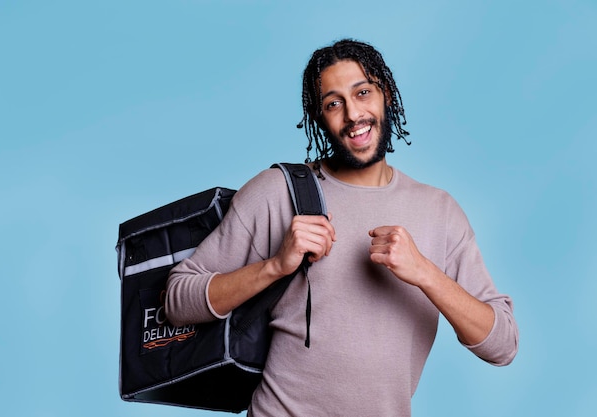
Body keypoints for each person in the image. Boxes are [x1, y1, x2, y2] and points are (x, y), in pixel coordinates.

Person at [166, 39, 519, 416]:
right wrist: (275, 266)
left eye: (363, 92)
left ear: (386, 94)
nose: (353, 115)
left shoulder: (440, 211)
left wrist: (426, 274)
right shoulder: (278, 192)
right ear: (320, 117)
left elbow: (501, 346)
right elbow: (176, 301)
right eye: (334, 103)